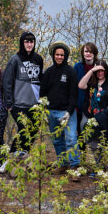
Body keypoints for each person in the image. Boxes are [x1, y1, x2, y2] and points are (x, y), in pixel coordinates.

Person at [0, 31, 44, 173]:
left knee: (33, 131)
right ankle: (8, 161)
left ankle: (25, 158)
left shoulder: (38, 59)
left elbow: (40, 81)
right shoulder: (15, 60)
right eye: (26, 41)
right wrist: (8, 102)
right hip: (18, 104)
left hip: (34, 104)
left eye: (31, 41)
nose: (29, 44)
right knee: (24, 130)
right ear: (22, 43)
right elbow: (6, 81)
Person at [76, 43, 108, 168]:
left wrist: (103, 115)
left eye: (102, 70)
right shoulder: (92, 81)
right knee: (93, 142)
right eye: (98, 71)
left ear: (106, 70)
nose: (100, 73)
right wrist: (91, 70)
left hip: (105, 116)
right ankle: (99, 166)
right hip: (89, 115)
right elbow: (80, 86)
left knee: (107, 141)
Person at [41, 42, 80, 177]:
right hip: (51, 111)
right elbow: (42, 92)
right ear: (53, 55)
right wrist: (43, 110)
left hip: (67, 112)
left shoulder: (71, 72)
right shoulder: (49, 72)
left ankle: (75, 167)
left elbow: (74, 94)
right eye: (57, 54)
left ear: (66, 56)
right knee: (57, 140)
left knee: (71, 139)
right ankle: (63, 164)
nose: (59, 57)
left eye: (62, 55)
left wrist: (69, 112)